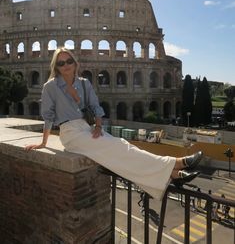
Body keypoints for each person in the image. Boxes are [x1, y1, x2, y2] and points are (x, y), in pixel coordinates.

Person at [25, 47, 203, 200]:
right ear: (55, 66)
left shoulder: (84, 83)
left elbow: (95, 107)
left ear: (74, 63)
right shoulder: (50, 86)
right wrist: (43, 143)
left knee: (122, 145)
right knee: (120, 147)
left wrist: (98, 126)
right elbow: (47, 116)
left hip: (86, 128)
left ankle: (173, 175)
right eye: (60, 63)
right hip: (70, 134)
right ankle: (176, 163)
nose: (65, 66)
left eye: (68, 61)